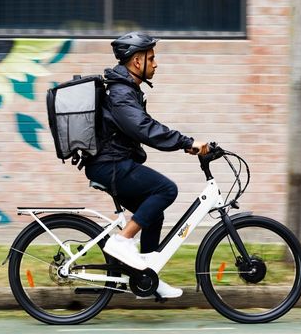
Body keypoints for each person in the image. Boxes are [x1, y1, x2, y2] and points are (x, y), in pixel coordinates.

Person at [84, 32, 209, 298]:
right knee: (166, 190)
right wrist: (186, 141)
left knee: (153, 213)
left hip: (115, 163)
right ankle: (122, 240)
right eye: (151, 58)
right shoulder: (120, 93)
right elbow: (144, 129)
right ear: (136, 61)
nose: (155, 63)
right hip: (111, 164)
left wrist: (184, 143)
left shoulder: (126, 90)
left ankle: (146, 277)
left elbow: (146, 126)